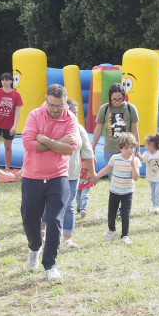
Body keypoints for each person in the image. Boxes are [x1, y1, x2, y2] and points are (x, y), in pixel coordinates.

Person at [20, 84, 79, 281]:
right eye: (52, 104)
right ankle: (34, 248)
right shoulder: (35, 115)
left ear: (65, 102)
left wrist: (45, 139)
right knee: (30, 219)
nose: (55, 109)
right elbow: (28, 144)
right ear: (46, 99)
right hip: (32, 176)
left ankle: (50, 264)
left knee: (54, 219)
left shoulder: (71, 118)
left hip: (58, 176)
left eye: (60, 106)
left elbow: (70, 149)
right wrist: (59, 142)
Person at [92, 134, 141, 244]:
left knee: (125, 214)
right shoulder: (115, 158)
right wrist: (97, 176)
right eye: (126, 148)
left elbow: (136, 177)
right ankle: (111, 229)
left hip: (127, 192)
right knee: (111, 213)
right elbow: (106, 169)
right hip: (114, 190)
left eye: (132, 147)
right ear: (120, 148)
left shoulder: (136, 161)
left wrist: (133, 165)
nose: (129, 150)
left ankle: (125, 235)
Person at [62, 98, 94, 249]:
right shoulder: (55, 126)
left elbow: (88, 151)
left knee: (69, 206)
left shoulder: (79, 129)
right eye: (71, 112)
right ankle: (43, 233)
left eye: (76, 113)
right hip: (53, 173)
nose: (74, 115)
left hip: (72, 173)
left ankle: (67, 238)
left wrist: (92, 173)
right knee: (49, 205)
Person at [91, 83, 139, 166]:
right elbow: (98, 130)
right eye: (114, 99)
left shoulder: (130, 108)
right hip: (110, 150)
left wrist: (137, 150)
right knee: (112, 177)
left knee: (126, 176)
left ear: (124, 97)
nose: (117, 101)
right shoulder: (104, 109)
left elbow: (135, 130)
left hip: (127, 149)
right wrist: (93, 147)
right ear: (110, 98)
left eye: (120, 99)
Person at [0, 72, 23, 172]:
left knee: (8, 147)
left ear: (11, 81)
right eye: (3, 80)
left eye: (7, 80)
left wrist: (15, 126)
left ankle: (7, 167)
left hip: (9, 125)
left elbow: (18, 111)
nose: (4, 82)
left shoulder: (16, 94)